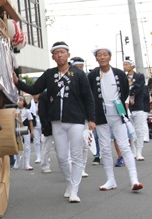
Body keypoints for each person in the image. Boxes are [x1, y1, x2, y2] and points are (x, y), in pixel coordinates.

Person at [13, 41, 95, 203]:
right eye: (56, 53)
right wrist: (17, 82)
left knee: (76, 155)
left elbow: (88, 97)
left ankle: (75, 190)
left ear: (68, 55)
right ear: (53, 57)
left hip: (77, 120)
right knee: (62, 156)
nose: (59, 55)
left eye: (62, 52)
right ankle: (70, 182)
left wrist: (92, 119)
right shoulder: (50, 74)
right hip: (56, 120)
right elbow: (35, 89)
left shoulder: (78, 74)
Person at [88, 47, 142, 191]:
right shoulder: (92, 75)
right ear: (96, 58)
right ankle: (110, 180)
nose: (102, 57)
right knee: (105, 148)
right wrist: (91, 117)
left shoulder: (119, 74)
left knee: (124, 146)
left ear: (110, 57)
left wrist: (121, 107)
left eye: (105, 55)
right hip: (101, 115)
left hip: (118, 114)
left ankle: (134, 179)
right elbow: (89, 95)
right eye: (99, 55)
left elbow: (125, 91)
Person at [124, 58, 149, 160]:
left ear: (132, 66)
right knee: (130, 131)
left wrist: (131, 93)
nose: (125, 66)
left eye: (126, 64)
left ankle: (139, 152)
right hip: (127, 107)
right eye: (124, 65)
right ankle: (133, 151)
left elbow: (139, 88)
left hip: (138, 105)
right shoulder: (123, 77)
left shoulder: (139, 76)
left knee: (139, 130)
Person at [14, 96, 34, 170]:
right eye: (18, 100)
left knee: (27, 146)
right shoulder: (14, 111)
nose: (19, 102)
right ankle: (17, 162)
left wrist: (32, 131)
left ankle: (27, 163)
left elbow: (30, 121)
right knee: (17, 145)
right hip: (17, 129)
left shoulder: (27, 111)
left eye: (21, 100)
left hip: (25, 128)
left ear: (24, 102)